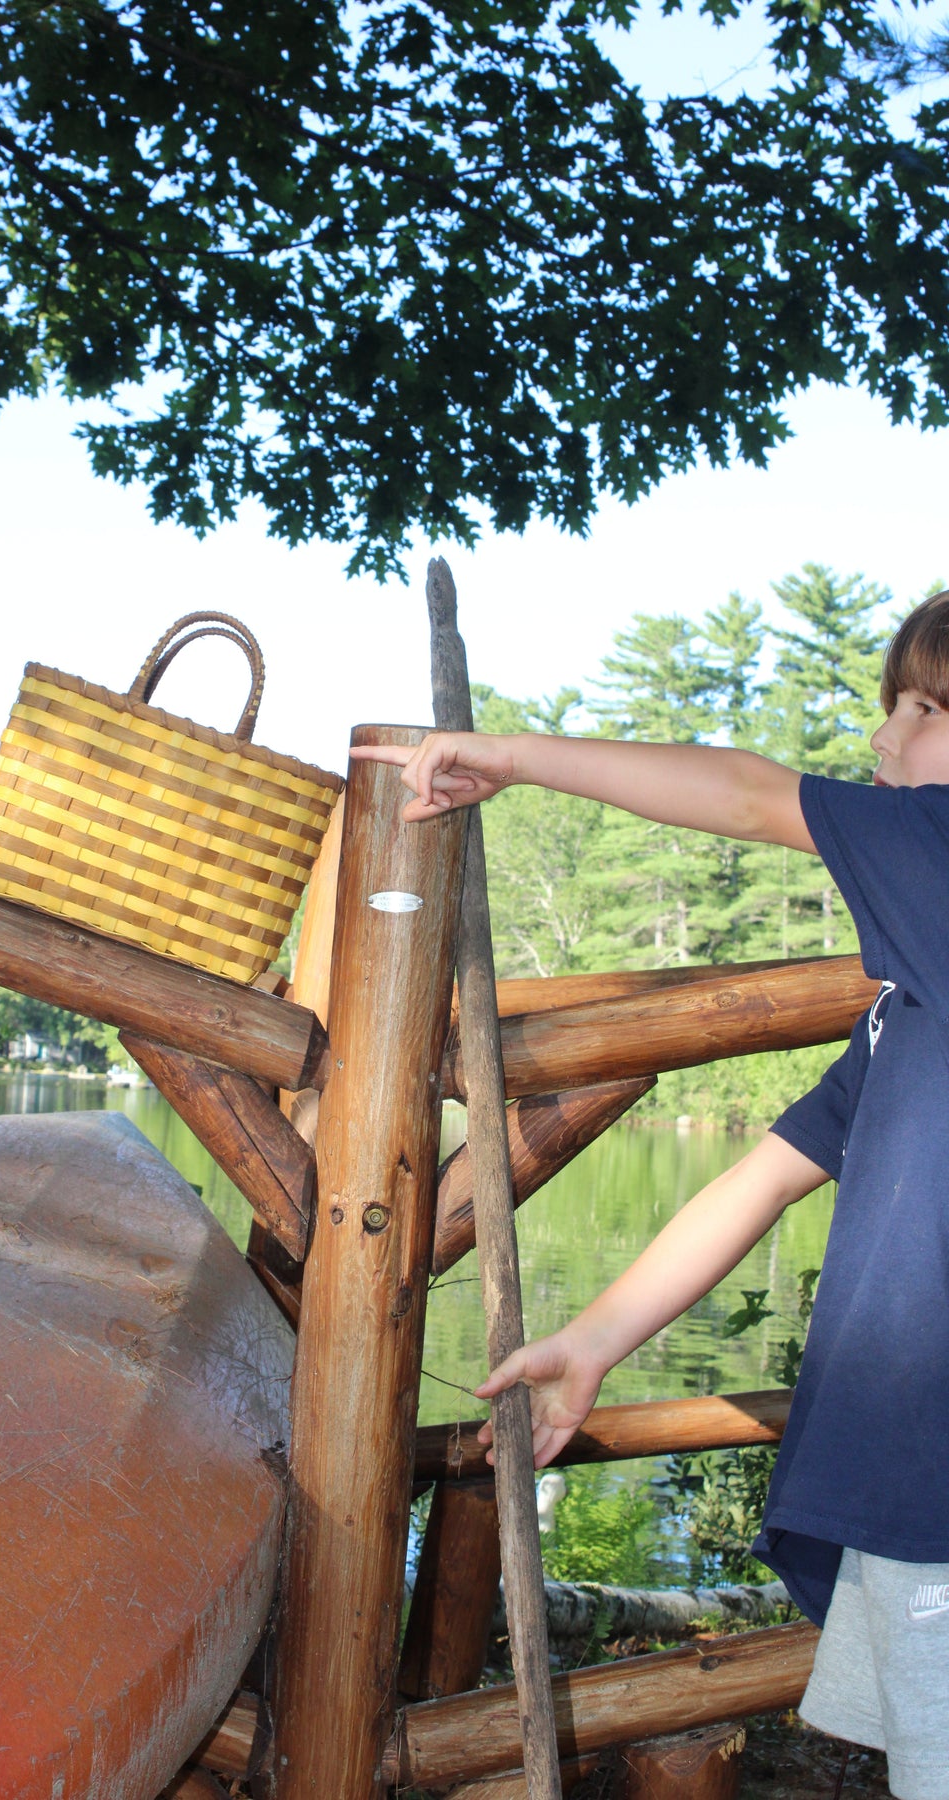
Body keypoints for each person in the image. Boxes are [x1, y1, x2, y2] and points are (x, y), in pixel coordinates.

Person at [352, 591, 949, 1800]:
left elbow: (739, 791)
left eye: (930, 709)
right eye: (892, 703)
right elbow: (762, 1177)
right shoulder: (910, 1017)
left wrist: (512, 758)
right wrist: (595, 1339)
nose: (886, 738)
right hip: (911, 1501)